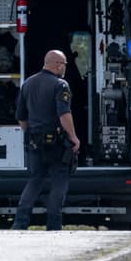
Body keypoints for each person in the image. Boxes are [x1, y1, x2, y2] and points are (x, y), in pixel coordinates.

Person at [12, 49, 81, 230]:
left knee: (35, 179)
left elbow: (21, 116)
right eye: (65, 64)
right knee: (59, 178)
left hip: (35, 140)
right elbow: (64, 114)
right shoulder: (60, 85)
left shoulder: (27, 84)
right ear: (57, 64)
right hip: (57, 142)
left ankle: (20, 222)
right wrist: (73, 137)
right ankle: (53, 223)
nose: (65, 68)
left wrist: (31, 132)